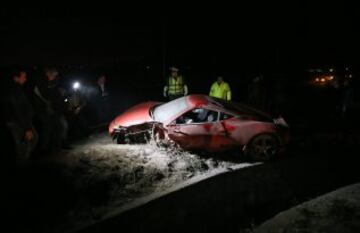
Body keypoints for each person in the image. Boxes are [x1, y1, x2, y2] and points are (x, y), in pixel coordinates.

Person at [2, 68, 38, 162]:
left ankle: (22, 162)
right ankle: (21, 165)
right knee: (24, 143)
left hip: (20, 121)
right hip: (19, 122)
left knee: (29, 140)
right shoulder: (14, 90)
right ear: (16, 78)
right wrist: (26, 128)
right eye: (23, 77)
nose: (25, 79)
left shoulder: (16, 88)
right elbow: (18, 109)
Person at [33, 67, 70, 153]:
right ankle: (45, 150)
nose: (55, 76)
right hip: (46, 111)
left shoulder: (53, 83)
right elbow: (47, 97)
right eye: (54, 74)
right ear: (48, 73)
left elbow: (56, 96)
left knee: (58, 128)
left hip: (53, 110)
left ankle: (56, 148)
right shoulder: (42, 84)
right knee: (48, 130)